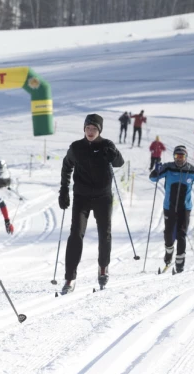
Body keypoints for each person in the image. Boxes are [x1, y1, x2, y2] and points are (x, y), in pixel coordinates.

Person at [58, 114, 124, 294]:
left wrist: (114, 154)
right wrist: (64, 190)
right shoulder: (76, 147)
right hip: (82, 197)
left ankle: (103, 267)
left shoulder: (107, 145)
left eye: (94, 129)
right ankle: (70, 278)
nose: (90, 132)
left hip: (103, 197)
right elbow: (66, 166)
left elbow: (119, 162)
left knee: (105, 233)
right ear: (84, 129)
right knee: (76, 235)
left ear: (99, 130)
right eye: (88, 128)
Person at [149, 146, 194, 273]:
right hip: (169, 206)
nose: (179, 159)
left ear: (186, 157)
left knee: (181, 234)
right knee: (168, 234)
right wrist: (156, 170)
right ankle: (168, 255)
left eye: (182, 157)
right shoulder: (168, 167)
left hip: (185, 208)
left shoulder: (192, 170)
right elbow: (153, 178)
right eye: (177, 156)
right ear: (174, 156)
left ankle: (180, 264)